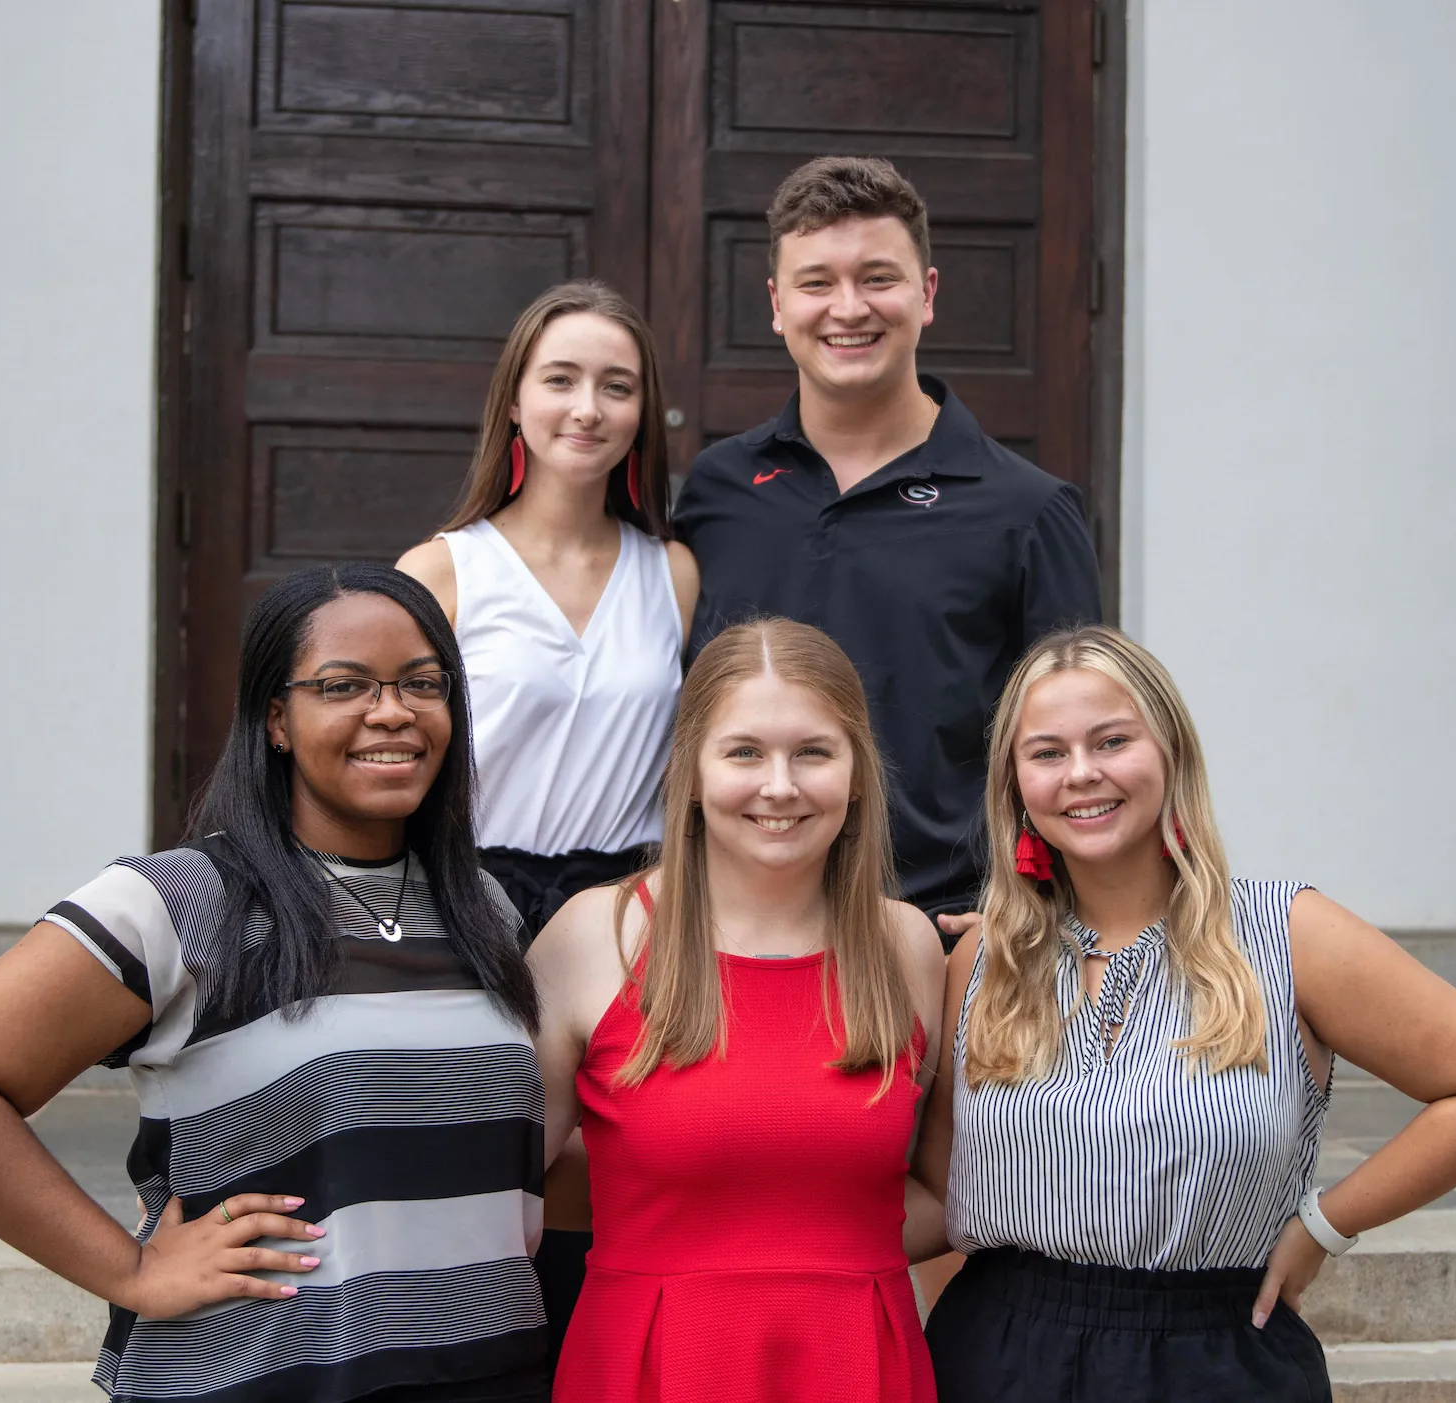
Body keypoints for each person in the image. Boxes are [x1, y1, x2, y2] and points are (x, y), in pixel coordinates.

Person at [0, 562, 552, 1403]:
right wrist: (131, 1270)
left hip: (488, 1372)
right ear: (276, 719)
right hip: (256, 1377)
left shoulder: (483, 907)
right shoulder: (181, 900)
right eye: (343, 685)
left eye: (422, 682)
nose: (393, 711)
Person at [912, 625, 1456, 1401]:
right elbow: (943, 1197)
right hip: (1000, 1357)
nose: (1081, 773)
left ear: (1171, 752)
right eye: (1047, 752)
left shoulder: (1289, 934)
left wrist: (1325, 1223)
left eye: (1112, 740)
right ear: (1014, 784)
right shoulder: (985, 960)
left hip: (1216, 1360)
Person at [673, 155, 1101, 936]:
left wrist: (1037, 907)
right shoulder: (717, 491)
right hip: (735, 930)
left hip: (946, 931)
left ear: (927, 293)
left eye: (878, 278)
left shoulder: (1029, 510)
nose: (848, 308)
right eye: (816, 282)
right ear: (777, 305)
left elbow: (1077, 743)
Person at [529, 619, 949, 1403]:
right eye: (744, 752)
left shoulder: (907, 946)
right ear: (689, 769)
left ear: (858, 773)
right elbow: (503, 1178)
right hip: (649, 1363)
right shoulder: (597, 936)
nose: (780, 785)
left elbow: (947, 1190)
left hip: (858, 1361)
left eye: (813, 751)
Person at [397, 279, 697, 1358]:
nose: (587, 407)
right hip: (468, 896)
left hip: (621, 908)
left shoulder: (672, 572)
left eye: (616, 386)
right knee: (472, 1165)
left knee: (599, 1178)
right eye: (561, 379)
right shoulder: (442, 568)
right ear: (514, 402)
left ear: (642, 412)